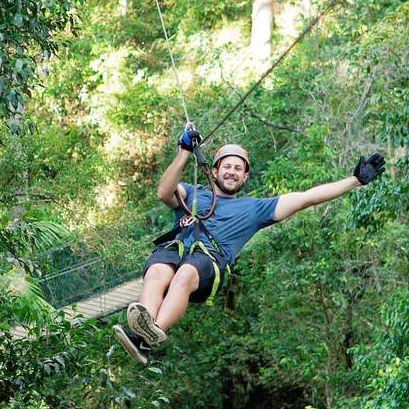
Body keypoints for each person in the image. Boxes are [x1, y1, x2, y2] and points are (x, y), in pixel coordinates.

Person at [114, 126, 386, 364]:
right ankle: (142, 333)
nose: (232, 172)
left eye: (238, 169)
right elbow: (164, 192)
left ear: (244, 178)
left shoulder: (254, 209)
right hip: (179, 248)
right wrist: (184, 152)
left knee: (184, 274)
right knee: (158, 270)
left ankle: (155, 330)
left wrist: (355, 181)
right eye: (227, 166)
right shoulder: (193, 193)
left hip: (210, 262)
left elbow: (307, 198)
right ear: (214, 170)